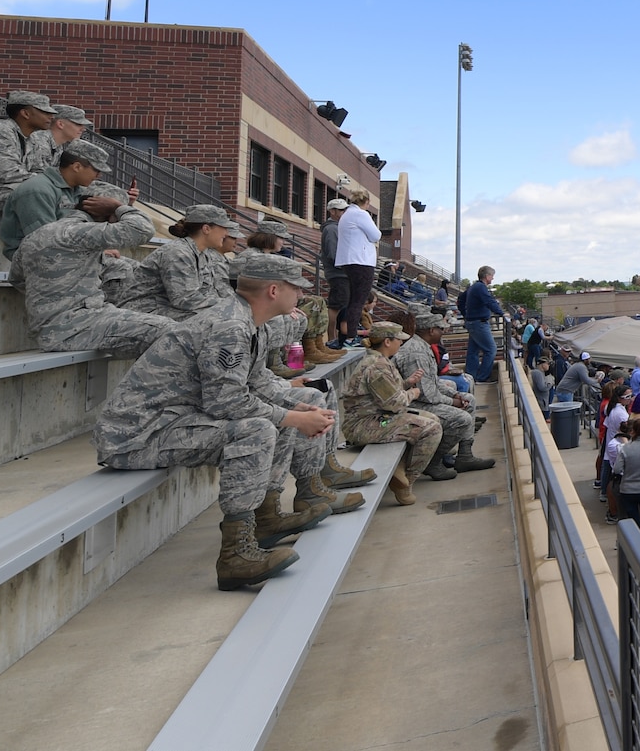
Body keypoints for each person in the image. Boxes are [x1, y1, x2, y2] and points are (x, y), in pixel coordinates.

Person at [93, 253, 338, 589]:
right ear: (273, 290)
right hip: (139, 434)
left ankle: (266, 518)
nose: (300, 296)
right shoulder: (230, 327)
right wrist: (293, 418)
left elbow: (258, 382)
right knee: (256, 428)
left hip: (173, 420)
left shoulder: (245, 320)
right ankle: (235, 555)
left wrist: (299, 409)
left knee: (283, 415)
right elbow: (227, 402)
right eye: (296, 288)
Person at [17, 185, 176, 356]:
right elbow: (142, 229)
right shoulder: (79, 232)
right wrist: (119, 207)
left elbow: (17, 278)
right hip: (75, 327)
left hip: (61, 327)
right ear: (107, 213)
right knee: (173, 332)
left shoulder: (36, 235)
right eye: (117, 216)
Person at [339, 322, 448, 501]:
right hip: (364, 425)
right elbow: (395, 403)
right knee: (431, 429)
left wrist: (407, 382)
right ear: (387, 342)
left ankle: (401, 468)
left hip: (376, 418)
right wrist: (412, 392)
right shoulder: (377, 366)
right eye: (399, 339)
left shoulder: (379, 361)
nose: (401, 343)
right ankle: (406, 483)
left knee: (433, 418)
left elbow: (386, 393)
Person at [397, 312, 494, 474]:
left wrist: (455, 395)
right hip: (411, 404)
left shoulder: (422, 346)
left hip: (421, 400)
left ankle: (465, 456)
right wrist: (452, 402)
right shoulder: (416, 353)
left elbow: (433, 382)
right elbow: (425, 394)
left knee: (468, 399)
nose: (443, 332)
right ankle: (431, 462)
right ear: (430, 330)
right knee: (461, 418)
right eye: (440, 329)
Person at [118, 205, 239, 320]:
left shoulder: (203, 254)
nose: (226, 233)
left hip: (167, 308)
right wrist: (229, 306)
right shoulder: (178, 252)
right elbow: (184, 299)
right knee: (217, 323)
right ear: (206, 229)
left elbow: (206, 292)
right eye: (223, 228)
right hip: (143, 310)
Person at [0, 139, 110, 259]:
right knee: (119, 268)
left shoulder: (77, 190)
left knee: (125, 267)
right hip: (36, 258)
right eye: (96, 170)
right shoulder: (37, 190)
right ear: (77, 167)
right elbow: (44, 240)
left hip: (65, 255)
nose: (99, 176)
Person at [333, 192, 382, 344]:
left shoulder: (346, 215)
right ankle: (351, 337)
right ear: (366, 201)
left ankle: (347, 335)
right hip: (361, 261)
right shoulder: (362, 214)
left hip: (348, 261)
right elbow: (376, 236)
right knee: (359, 300)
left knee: (353, 299)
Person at [457, 263, 502, 381]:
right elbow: (489, 301)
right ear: (487, 276)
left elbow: (460, 300)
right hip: (479, 324)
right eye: (492, 276)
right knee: (491, 349)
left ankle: (471, 377)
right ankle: (482, 378)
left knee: (473, 351)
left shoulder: (473, 287)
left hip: (473, 323)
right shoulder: (481, 287)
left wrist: (465, 315)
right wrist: (502, 313)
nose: (493, 278)